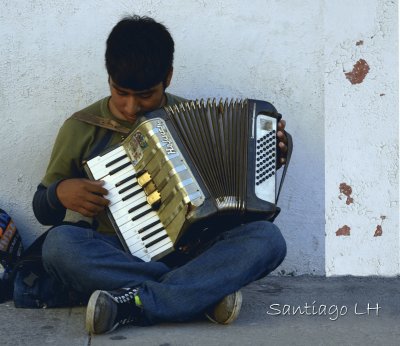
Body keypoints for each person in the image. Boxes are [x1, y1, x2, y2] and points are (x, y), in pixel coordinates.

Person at [31, 15, 288, 334]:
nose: (129, 106)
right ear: (108, 77)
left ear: (167, 77)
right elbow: (42, 208)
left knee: (269, 240)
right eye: (120, 91)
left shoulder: (197, 121)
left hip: (194, 253)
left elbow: (232, 200)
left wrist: (268, 156)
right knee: (59, 245)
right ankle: (198, 295)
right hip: (120, 255)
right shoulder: (81, 129)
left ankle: (134, 301)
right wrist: (58, 193)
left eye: (145, 95)